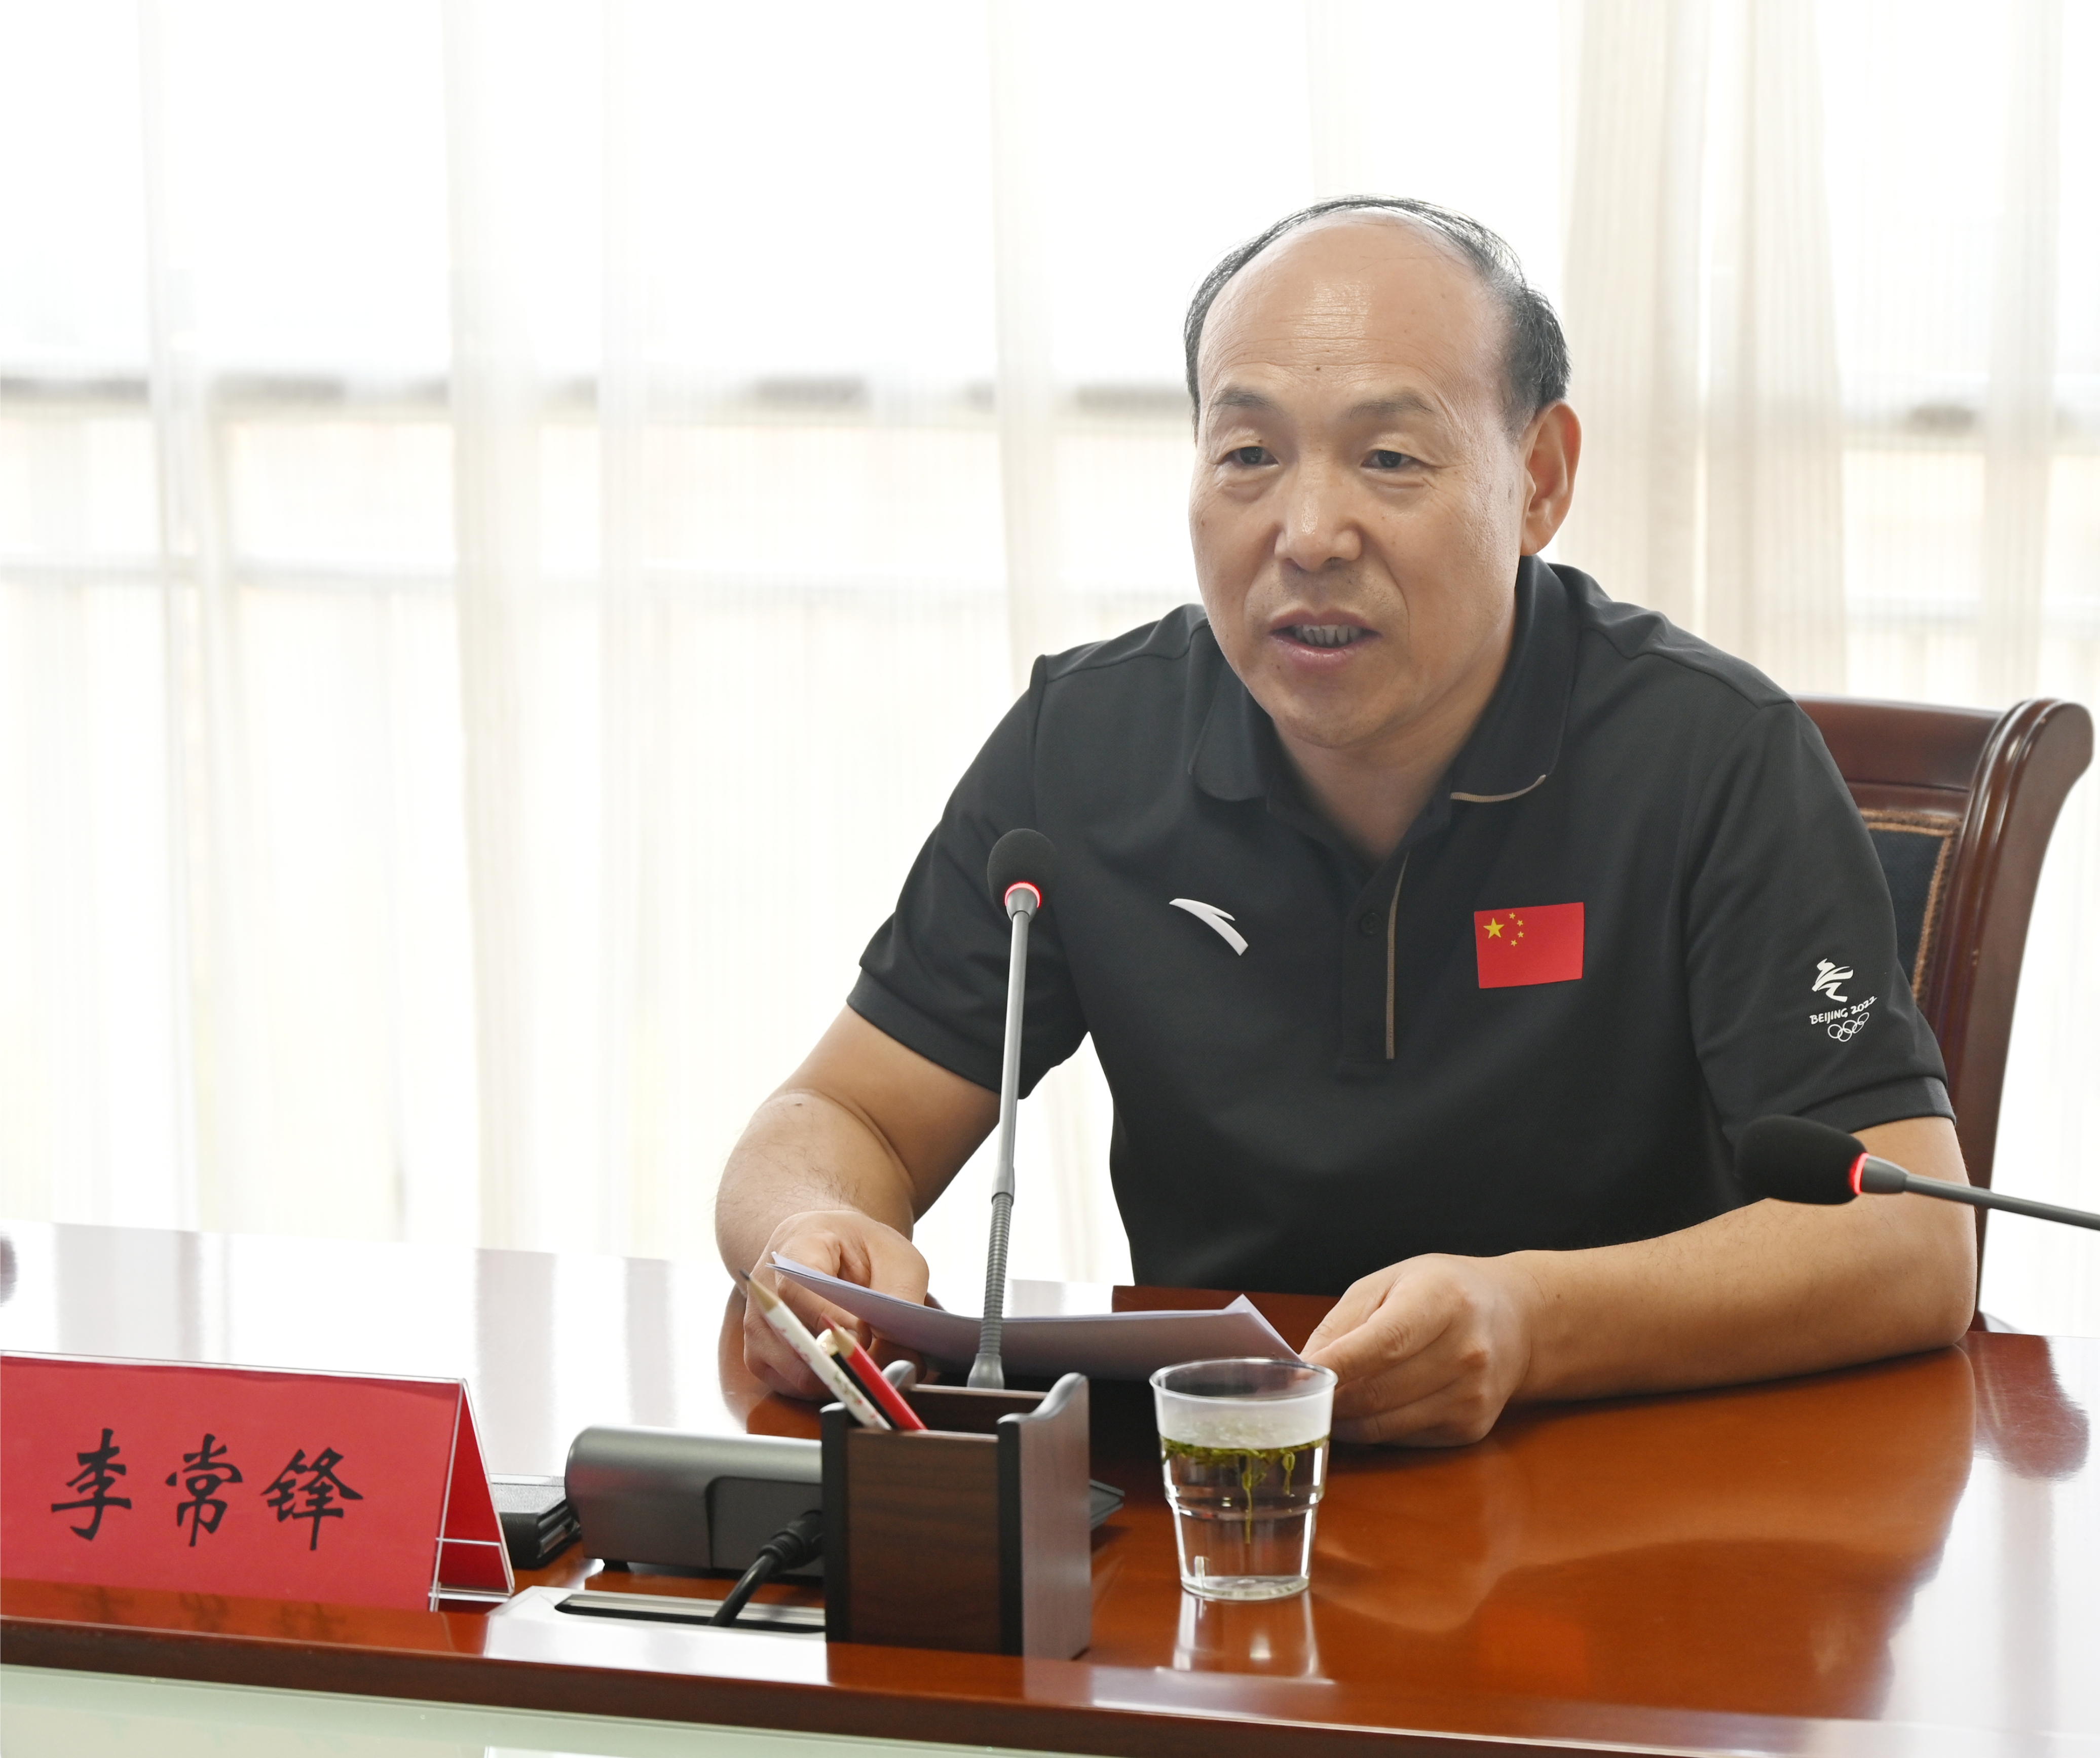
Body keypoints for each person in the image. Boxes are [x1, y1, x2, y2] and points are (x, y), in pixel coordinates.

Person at [716, 197, 1976, 1446]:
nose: (1309, 535)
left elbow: (1914, 1237)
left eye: (1391, 459)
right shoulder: (1085, 748)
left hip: (1621, 1486)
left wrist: (1530, 1322)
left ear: (1539, 480)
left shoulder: (1711, 755)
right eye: (1248, 455)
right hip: (1214, 1495)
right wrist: (810, 1239)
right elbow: (844, 1117)